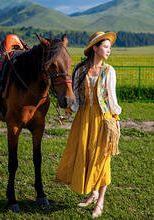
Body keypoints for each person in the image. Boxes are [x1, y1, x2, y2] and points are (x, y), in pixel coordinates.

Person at [55, 31, 122, 218]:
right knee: (85, 154)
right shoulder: (80, 70)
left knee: (101, 158)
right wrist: (68, 112)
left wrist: (115, 120)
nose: (109, 50)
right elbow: (75, 96)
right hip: (83, 118)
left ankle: (100, 201)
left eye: (110, 47)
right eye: (105, 46)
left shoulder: (109, 71)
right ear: (95, 48)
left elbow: (112, 99)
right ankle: (92, 194)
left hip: (103, 118)